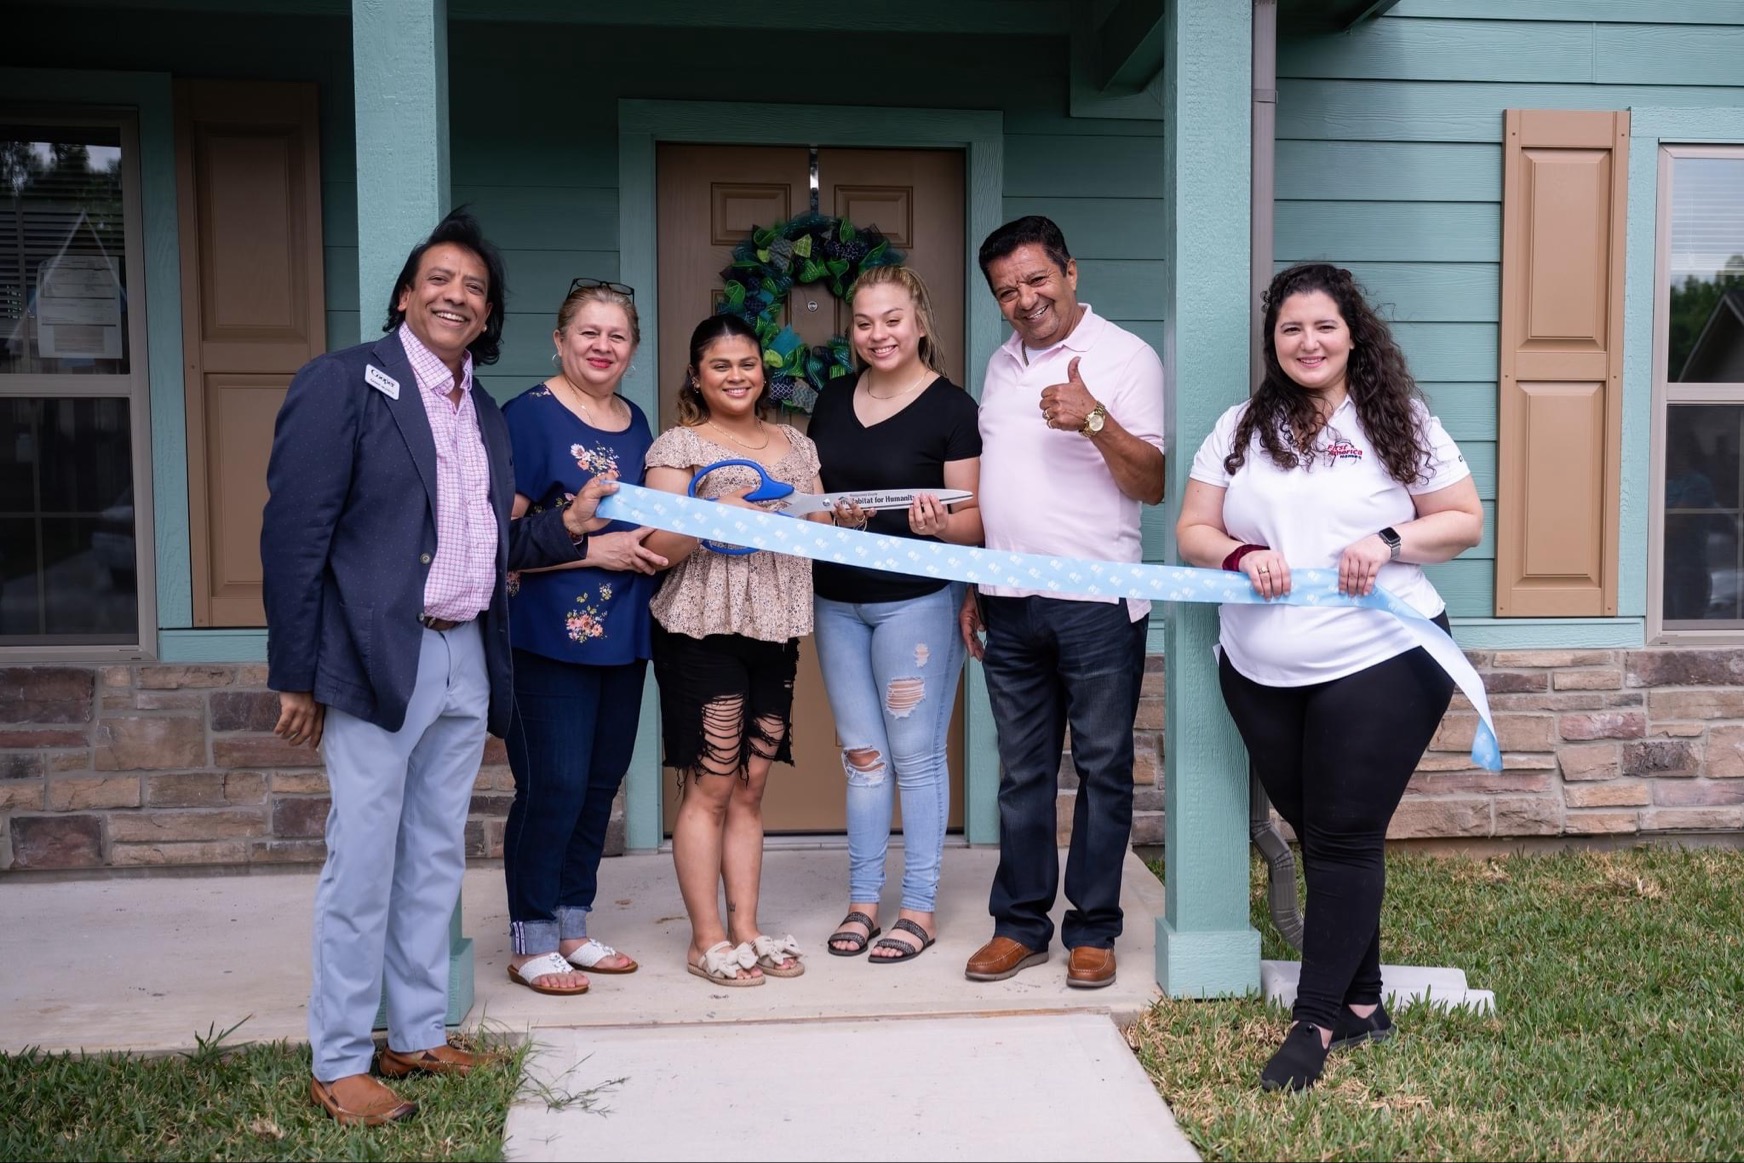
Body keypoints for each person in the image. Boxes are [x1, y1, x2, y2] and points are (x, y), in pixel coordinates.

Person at [262, 209, 616, 1127]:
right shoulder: (344, 383)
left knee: (432, 855)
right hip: (378, 657)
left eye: (475, 287)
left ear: (488, 314)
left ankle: (416, 1030)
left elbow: (492, 543)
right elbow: (294, 536)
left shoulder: (483, 411)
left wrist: (566, 526)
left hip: (466, 653)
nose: (457, 295)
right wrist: (296, 670)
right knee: (362, 860)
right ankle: (341, 1057)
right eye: (440, 279)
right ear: (405, 295)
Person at [1175, 262, 1483, 1092]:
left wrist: (1389, 539)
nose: (1307, 342)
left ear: (1352, 334)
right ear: (1272, 340)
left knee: (1344, 832)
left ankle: (1314, 1024)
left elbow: (1464, 519)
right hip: (1259, 667)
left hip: (1383, 654)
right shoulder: (1240, 426)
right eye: (1291, 329)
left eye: (1324, 326)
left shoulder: (1399, 419)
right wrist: (1240, 553)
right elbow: (1193, 529)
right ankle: (1363, 1002)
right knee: (1321, 831)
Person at [958, 215, 1165, 990]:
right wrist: (976, 581)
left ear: (1070, 272)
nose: (1025, 299)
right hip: (1008, 600)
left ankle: (1094, 928)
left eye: (1037, 279)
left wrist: (1095, 419)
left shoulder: (1127, 357)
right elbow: (998, 484)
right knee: (1022, 772)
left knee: (1104, 768)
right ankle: (1019, 924)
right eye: (1006, 290)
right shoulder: (999, 365)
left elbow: (1152, 483)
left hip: (1095, 602)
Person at [641, 313, 825, 986]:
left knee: (750, 787)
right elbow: (656, 549)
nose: (737, 376)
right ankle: (706, 939)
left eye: (747, 363)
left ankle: (746, 928)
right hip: (701, 626)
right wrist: (718, 515)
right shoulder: (677, 446)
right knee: (711, 784)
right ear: (697, 376)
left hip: (774, 627)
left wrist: (842, 518)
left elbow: (818, 528)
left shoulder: (797, 444)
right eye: (720, 365)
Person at [807, 265, 982, 963]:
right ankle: (862, 902)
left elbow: (975, 525)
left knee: (916, 757)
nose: (878, 334)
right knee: (863, 757)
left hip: (918, 602)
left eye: (892, 319)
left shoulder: (952, 408)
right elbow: (816, 505)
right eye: (864, 322)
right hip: (836, 601)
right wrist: (836, 519)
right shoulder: (831, 399)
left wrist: (939, 525)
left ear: (919, 323)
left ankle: (918, 907)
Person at [498, 280, 664, 996]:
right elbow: (499, 542)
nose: (602, 346)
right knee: (552, 785)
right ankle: (531, 935)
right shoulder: (527, 418)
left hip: (623, 634)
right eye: (588, 332)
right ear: (559, 340)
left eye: (616, 335)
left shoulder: (636, 423)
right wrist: (595, 551)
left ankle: (572, 924)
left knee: (597, 785)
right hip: (547, 637)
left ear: (632, 348)